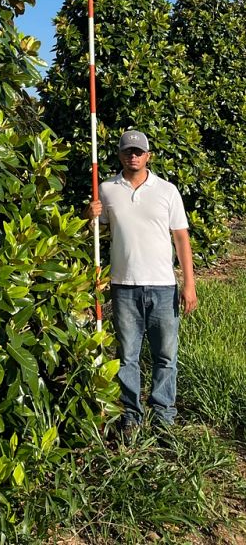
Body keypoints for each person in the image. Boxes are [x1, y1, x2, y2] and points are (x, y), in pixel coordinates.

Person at [87, 130, 197, 431]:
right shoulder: (106, 189)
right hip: (123, 286)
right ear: (120, 154)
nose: (132, 156)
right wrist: (90, 215)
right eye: (127, 151)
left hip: (163, 286)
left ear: (148, 155)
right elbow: (95, 233)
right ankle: (131, 416)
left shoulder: (167, 191)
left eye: (138, 151)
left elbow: (181, 239)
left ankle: (163, 416)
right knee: (127, 357)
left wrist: (189, 284)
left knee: (165, 356)